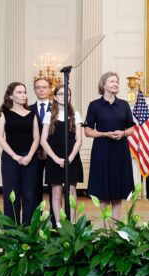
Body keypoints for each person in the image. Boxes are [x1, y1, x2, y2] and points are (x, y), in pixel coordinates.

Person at [84, 71, 136, 222]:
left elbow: (131, 129)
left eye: (116, 81)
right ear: (103, 85)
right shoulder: (94, 105)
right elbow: (87, 131)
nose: (115, 84)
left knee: (118, 190)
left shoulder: (124, 105)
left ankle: (114, 227)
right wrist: (104, 134)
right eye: (112, 81)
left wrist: (123, 133)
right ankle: (107, 229)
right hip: (102, 150)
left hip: (120, 151)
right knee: (103, 190)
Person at [0, 82, 40, 225]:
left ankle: (28, 231)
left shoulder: (32, 114)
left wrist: (29, 156)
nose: (23, 95)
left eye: (24, 92)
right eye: (19, 92)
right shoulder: (4, 114)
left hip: (30, 159)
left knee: (29, 195)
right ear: (11, 96)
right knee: (11, 195)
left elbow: (36, 138)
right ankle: (11, 233)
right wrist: (14, 156)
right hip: (10, 158)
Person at [40, 85, 83, 227]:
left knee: (71, 191)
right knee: (56, 192)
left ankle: (71, 222)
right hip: (54, 158)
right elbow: (43, 140)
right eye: (60, 94)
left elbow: (79, 140)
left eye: (67, 94)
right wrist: (55, 158)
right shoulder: (49, 115)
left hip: (71, 157)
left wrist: (70, 158)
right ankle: (58, 223)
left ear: (70, 97)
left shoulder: (75, 115)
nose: (64, 97)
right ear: (55, 97)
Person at [30, 78, 56, 226]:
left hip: (52, 154)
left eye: (44, 87)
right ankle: (37, 222)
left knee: (54, 188)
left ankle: (54, 221)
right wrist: (38, 150)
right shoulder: (27, 108)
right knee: (34, 188)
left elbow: (57, 133)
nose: (41, 90)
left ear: (49, 89)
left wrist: (47, 150)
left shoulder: (57, 109)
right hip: (34, 154)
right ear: (34, 90)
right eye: (38, 87)